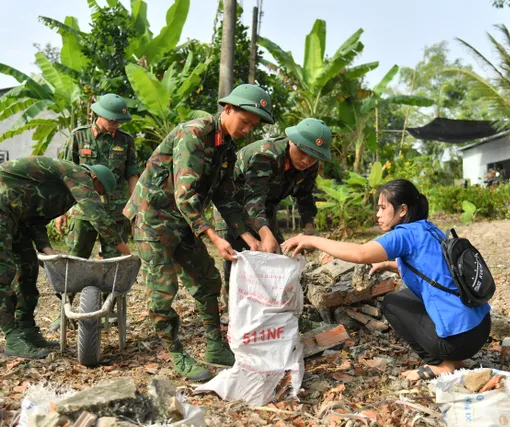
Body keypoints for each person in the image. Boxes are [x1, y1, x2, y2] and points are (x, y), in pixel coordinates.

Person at [124, 84, 275, 381]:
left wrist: (248, 237)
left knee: (208, 279)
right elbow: (186, 194)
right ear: (228, 109)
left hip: (183, 220)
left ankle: (214, 347)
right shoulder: (194, 134)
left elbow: (224, 196)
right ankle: (177, 352)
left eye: (253, 126)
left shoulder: (227, 146)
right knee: (162, 290)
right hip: (153, 218)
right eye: (245, 121)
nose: (248, 129)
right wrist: (214, 237)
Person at [282, 179, 491, 381]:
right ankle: (456, 359)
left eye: (383, 208)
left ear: (402, 210)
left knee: (392, 303)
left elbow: (360, 253)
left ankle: (441, 364)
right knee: (408, 295)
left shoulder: (403, 235)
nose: (377, 214)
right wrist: (390, 265)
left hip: (459, 342)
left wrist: (310, 239)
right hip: (481, 327)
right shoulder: (428, 228)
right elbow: (435, 271)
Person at [0, 157, 130, 359]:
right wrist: (125, 252)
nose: (96, 195)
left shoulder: (64, 193)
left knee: (28, 269)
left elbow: (35, 220)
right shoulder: (78, 174)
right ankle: (13, 337)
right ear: (93, 178)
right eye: (98, 191)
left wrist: (48, 252)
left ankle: (27, 330)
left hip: (18, 213)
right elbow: (98, 217)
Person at [214, 117, 331, 304]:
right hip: (232, 206)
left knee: (278, 255)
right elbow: (252, 200)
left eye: (314, 156)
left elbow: (304, 195)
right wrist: (264, 233)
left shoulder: (309, 164)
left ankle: (271, 303)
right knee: (237, 260)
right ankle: (233, 311)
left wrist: (309, 227)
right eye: (303, 152)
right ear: (292, 140)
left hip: (265, 206)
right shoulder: (266, 155)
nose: (307, 160)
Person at [51, 93, 140, 331]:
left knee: (114, 263)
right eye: (112, 120)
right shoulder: (78, 136)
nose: (115, 125)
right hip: (82, 211)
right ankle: (64, 312)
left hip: (115, 211)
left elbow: (132, 173)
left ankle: (109, 311)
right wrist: (61, 211)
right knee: (73, 260)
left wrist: (133, 208)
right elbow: (64, 173)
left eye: (119, 121)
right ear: (99, 114)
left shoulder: (126, 140)